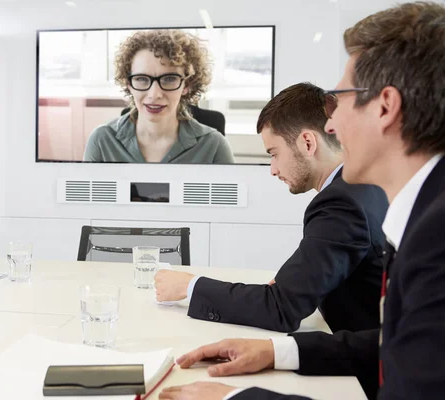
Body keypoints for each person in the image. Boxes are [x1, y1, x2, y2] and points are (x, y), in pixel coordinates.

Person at [158, 2, 445, 399]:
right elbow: (399, 344)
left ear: (385, 106)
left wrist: (231, 398)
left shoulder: (434, 237)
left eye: (341, 99)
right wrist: (281, 350)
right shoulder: (423, 212)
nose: (331, 123)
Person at [154, 82, 388, 333]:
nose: (273, 169)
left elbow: (280, 309)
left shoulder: (341, 204)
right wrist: (292, 284)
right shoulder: (366, 184)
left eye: (274, 153)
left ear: (307, 143)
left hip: (368, 364)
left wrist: (190, 286)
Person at [83, 29, 235, 164]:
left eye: (169, 79)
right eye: (141, 79)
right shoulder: (101, 141)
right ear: (128, 83)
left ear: (187, 85)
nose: (154, 94)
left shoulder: (214, 146)